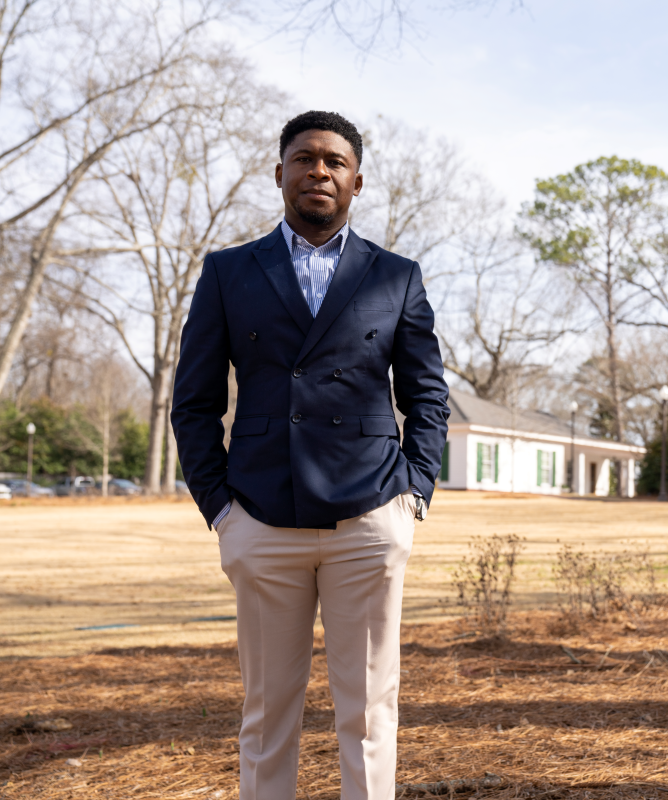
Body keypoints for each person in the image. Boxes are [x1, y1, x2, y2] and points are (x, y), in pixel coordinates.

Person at [172, 110, 449, 800]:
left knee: (368, 715)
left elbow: (428, 398)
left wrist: (412, 494)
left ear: (357, 181)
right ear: (279, 175)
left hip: (368, 517)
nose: (317, 171)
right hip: (262, 519)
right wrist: (221, 509)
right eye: (303, 159)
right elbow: (194, 402)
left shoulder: (397, 277)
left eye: (333, 161)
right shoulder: (229, 272)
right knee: (266, 716)